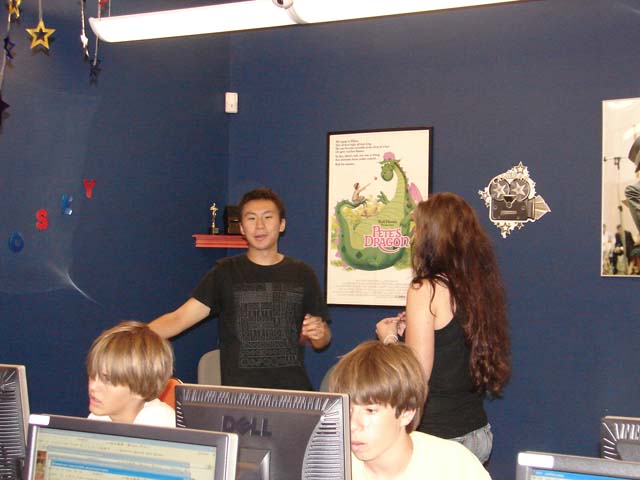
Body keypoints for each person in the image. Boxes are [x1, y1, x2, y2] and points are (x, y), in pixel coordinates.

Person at [150, 187, 331, 390]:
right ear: (242, 228)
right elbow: (179, 318)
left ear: (282, 224)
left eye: (268, 217)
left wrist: (320, 333)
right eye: (251, 218)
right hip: (240, 397)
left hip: (293, 394)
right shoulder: (224, 272)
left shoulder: (302, 273)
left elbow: (322, 341)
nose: (260, 226)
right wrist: (131, 338)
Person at [376, 192, 511, 464]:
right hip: (477, 433)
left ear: (432, 236)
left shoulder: (425, 289)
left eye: (418, 228)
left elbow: (417, 375)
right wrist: (411, 330)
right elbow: (451, 347)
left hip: (439, 438)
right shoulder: (478, 287)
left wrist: (389, 339)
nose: (413, 236)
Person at [328, 340, 491, 480]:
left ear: (407, 412)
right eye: (347, 409)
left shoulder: (454, 467)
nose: (352, 425)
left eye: (370, 410)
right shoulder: (329, 465)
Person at [86, 321, 176, 426]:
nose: (93, 387)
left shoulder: (161, 425)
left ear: (142, 388)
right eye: (92, 374)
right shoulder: (97, 418)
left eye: (107, 380)